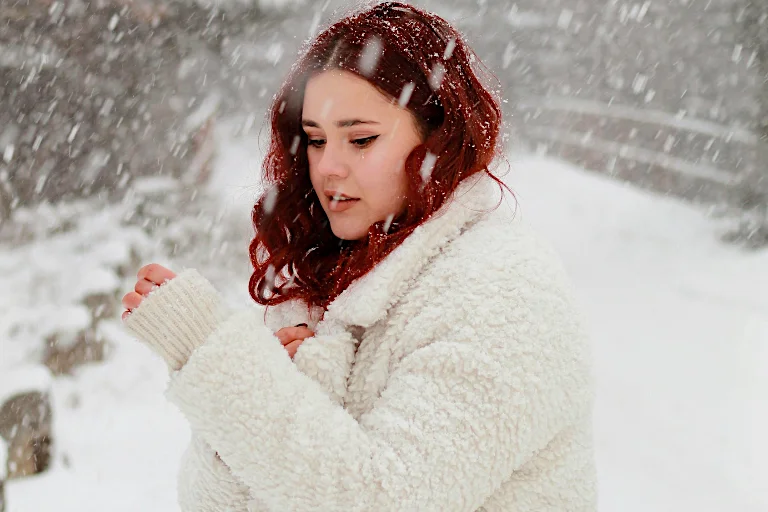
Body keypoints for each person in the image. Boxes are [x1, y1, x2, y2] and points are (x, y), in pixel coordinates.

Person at [121, 2, 597, 510]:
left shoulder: (504, 293)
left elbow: (385, 498)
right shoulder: (320, 276)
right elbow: (211, 503)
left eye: (361, 139)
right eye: (316, 140)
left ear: (438, 135)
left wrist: (213, 356)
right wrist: (285, 395)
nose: (328, 167)